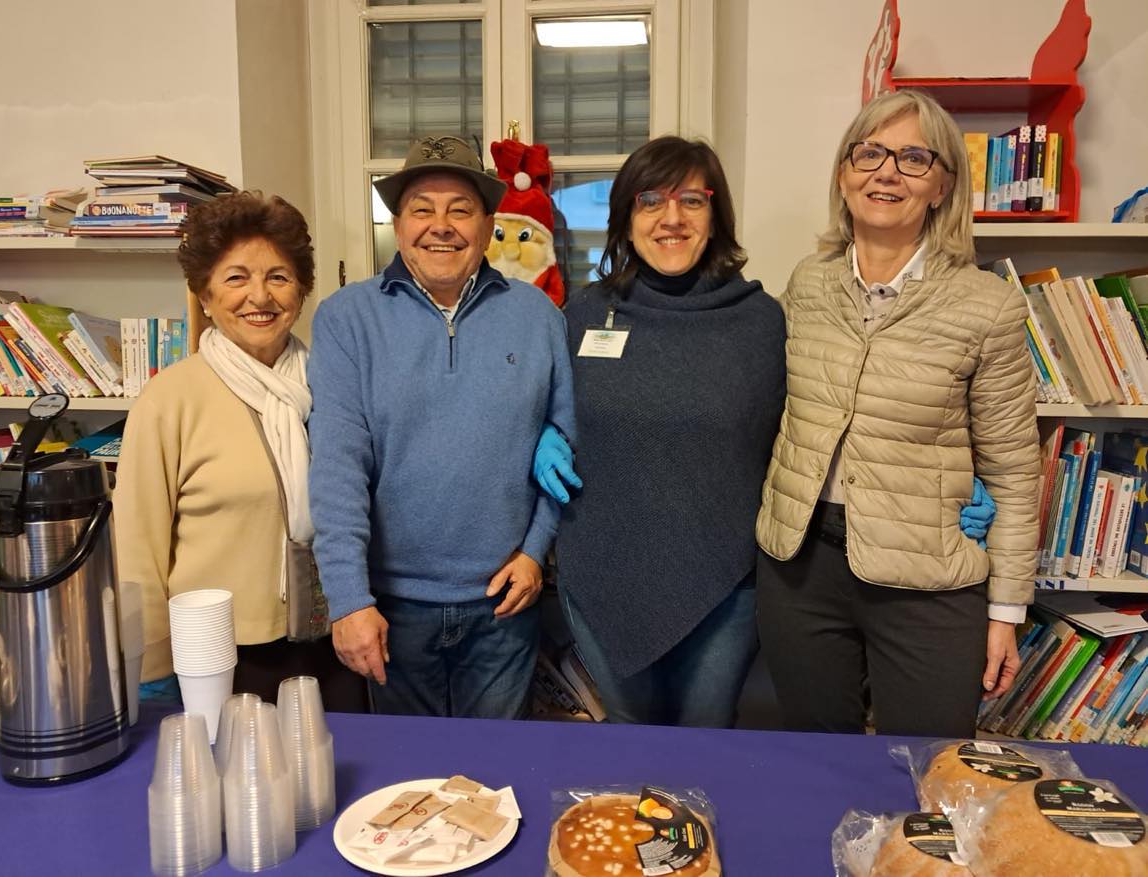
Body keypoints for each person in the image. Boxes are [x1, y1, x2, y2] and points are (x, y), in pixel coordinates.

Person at [754, 89, 1040, 738]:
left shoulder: (987, 306)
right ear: (844, 173)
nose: (887, 171)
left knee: (927, 768)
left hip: (928, 577)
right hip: (801, 568)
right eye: (871, 153)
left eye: (914, 158)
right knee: (815, 757)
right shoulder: (808, 283)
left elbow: (1016, 470)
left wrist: (1005, 610)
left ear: (943, 185)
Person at [307, 134, 575, 719]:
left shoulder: (539, 317)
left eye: (461, 209)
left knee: (496, 782)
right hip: (391, 610)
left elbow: (565, 446)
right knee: (407, 787)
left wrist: (535, 552)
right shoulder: (346, 320)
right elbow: (336, 468)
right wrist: (348, 600)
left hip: (504, 603)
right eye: (422, 209)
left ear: (486, 223)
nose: (441, 226)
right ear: (398, 224)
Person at [537, 136, 787, 728]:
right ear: (625, 217)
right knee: (631, 742)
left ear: (716, 216)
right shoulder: (581, 315)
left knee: (704, 744)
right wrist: (541, 434)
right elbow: (538, 406)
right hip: (602, 571)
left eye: (691, 202)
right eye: (651, 201)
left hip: (725, 582)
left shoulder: (760, 322)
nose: (671, 218)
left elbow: (805, 431)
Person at [116, 191, 369, 710]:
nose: (260, 296)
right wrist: (154, 667)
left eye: (278, 277)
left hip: (333, 639)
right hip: (218, 656)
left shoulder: (333, 384)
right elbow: (136, 549)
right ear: (205, 294)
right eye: (236, 278)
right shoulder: (170, 400)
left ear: (301, 291)